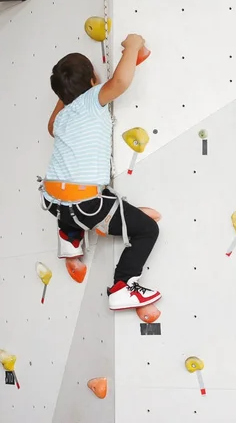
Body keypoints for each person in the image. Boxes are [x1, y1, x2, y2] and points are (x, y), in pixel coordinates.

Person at [39, 34, 161, 311]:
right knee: (147, 230)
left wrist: (64, 98)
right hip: (85, 206)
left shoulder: (61, 118)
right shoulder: (93, 99)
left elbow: (50, 127)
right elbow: (120, 82)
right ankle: (123, 285)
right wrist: (132, 47)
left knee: (78, 191)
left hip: (53, 202)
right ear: (94, 81)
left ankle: (70, 241)